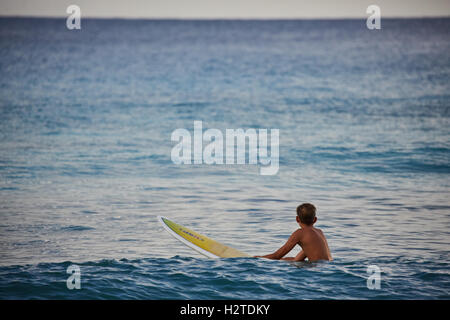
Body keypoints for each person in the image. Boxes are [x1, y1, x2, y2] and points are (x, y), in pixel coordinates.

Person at [255, 203, 332, 262]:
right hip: (328, 267)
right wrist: (283, 259)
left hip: (317, 269)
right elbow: (297, 259)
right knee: (291, 261)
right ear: (315, 220)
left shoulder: (299, 233)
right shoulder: (320, 232)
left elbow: (277, 255)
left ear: (297, 219)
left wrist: (257, 258)